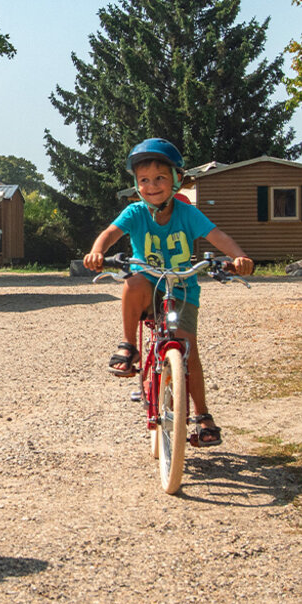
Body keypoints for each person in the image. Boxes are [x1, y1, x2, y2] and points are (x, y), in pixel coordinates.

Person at [82, 138, 253, 446]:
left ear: (176, 180)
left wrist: (239, 257)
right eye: (144, 180)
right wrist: (97, 251)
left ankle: (202, 416)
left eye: (160, 178)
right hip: (149, 288)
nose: (152, 185)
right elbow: (109, 234)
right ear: (136, 185)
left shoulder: (188, 214)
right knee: (133, 281)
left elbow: (218, 236)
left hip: (183, 288)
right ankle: (129, 347)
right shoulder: (135, 213)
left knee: (189, 352)